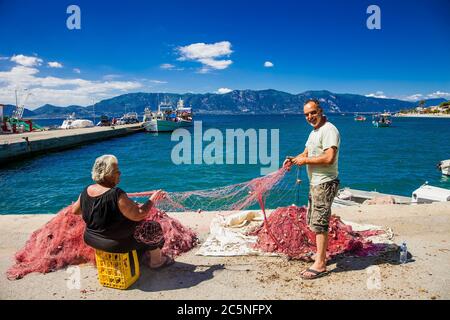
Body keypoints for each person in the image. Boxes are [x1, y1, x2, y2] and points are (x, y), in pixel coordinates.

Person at [72, 154, 174, 269]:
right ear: (107, 174)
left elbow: (75, 211)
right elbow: (139, 215)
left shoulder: (86, 190)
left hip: (91, 239)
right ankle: (156, 262)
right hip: (115, 244)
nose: (120, 173)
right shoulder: (116, 194)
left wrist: (101, 214)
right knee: (152, 227)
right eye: (116, 171)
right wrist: (152, 199)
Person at [283, 99, 340, 280]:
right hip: (315, 183)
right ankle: (320, 256)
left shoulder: (329, 130)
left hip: (325, 182)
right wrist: (293, 160)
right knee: (314, 221)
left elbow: (329, 157)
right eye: (306, 114)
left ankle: (321, 264)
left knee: (320, 223)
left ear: (321, 111)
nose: (310, 117)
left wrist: (305, 161)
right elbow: (306, 153)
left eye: (313, 113)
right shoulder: (314, 132)